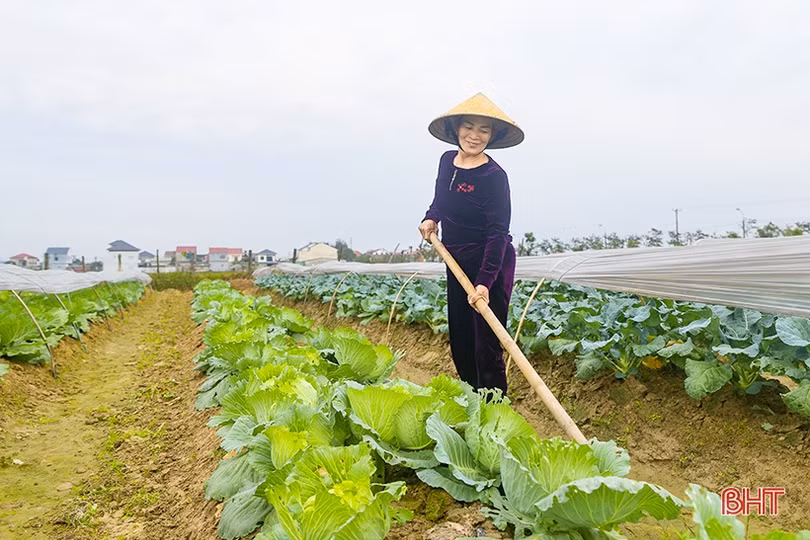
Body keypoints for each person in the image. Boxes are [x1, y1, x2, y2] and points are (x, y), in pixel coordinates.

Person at [418, 93, 524, 393]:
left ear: (493, 135)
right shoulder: (446, 162)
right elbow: (441, 198)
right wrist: (431, 217)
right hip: (456, 260)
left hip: (491, 263)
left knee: (486, 345)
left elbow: (498, 233)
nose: (474, 136)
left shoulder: (494, 176)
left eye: (484, 130)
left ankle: (495, 412)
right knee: (462, 339)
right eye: (468, 126)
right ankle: (471, 401)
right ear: (456, 128)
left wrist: (485, 284)